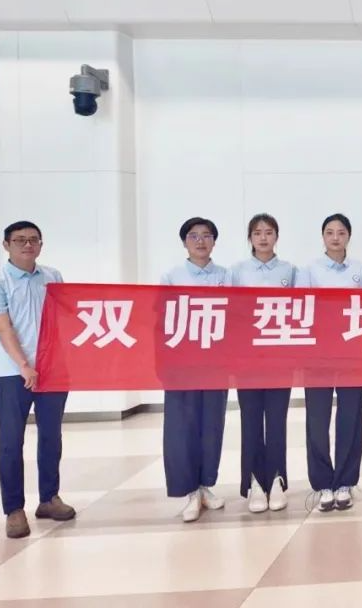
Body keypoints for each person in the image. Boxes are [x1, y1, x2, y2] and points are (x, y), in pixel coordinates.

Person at [0, 221, 74, 539]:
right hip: (14, 373)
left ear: (41, 244)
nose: (27, 245)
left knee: (51, 436)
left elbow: (64, 318)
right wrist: (24, 365)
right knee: (11, 441)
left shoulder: (52, 277)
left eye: (33, 240)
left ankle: (49, 498)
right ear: (6, 245)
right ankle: (14, 509)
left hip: (53, 371)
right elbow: (3, 327)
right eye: (20, 240)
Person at [295, 213, 362, 512]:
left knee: (351, 417)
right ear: (323, 237)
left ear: (348, 236)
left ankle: (345, 482)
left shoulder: (360, 271)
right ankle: (323, 483)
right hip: (318, 353)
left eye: (341, 232)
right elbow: (302, 310)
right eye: (330, 232)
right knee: (317, 419)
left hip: (351, 351)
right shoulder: (309, 271)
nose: (336, 237)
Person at [161, 217, 233, 522]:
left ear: (214, 241)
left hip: (216, 364)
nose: (200, 241)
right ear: (184, 242)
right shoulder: (172, 276)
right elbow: (162, 321)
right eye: (193, 236)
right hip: (183, 365)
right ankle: (188, 489)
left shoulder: (226, 276)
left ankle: (205, 485)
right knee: (182, 428)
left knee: (211, 426)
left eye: (206, 236)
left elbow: (236, 316)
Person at [230, 213, 296, 513]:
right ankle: (254, 482)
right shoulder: (237, 271)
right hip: (247, 359)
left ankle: (277, 480)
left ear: (276, 237)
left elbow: (301, 310)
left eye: (269, 232)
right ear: (250, 238)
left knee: (277, 421)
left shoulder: (290, 271)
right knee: (251, 421)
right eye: (257, 233)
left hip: (280, 358)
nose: (263, 238)